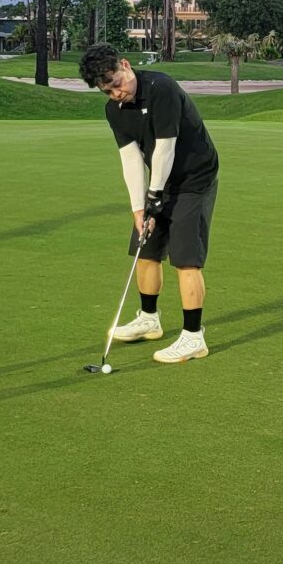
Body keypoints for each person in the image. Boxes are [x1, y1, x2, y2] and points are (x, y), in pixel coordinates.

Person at [79, 42, 219, 363]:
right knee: (145, 247)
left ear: (125, 65)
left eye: (117, 84)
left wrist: (155, 197)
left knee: (185, 258)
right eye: (107, 91)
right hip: (161, 178)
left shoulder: (162, 88)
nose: (116, 94)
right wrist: (139, 209)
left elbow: (165, 148)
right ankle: (149, 319)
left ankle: (193, 337)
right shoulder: (114, 110)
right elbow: (130, 158)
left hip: (194, 177)